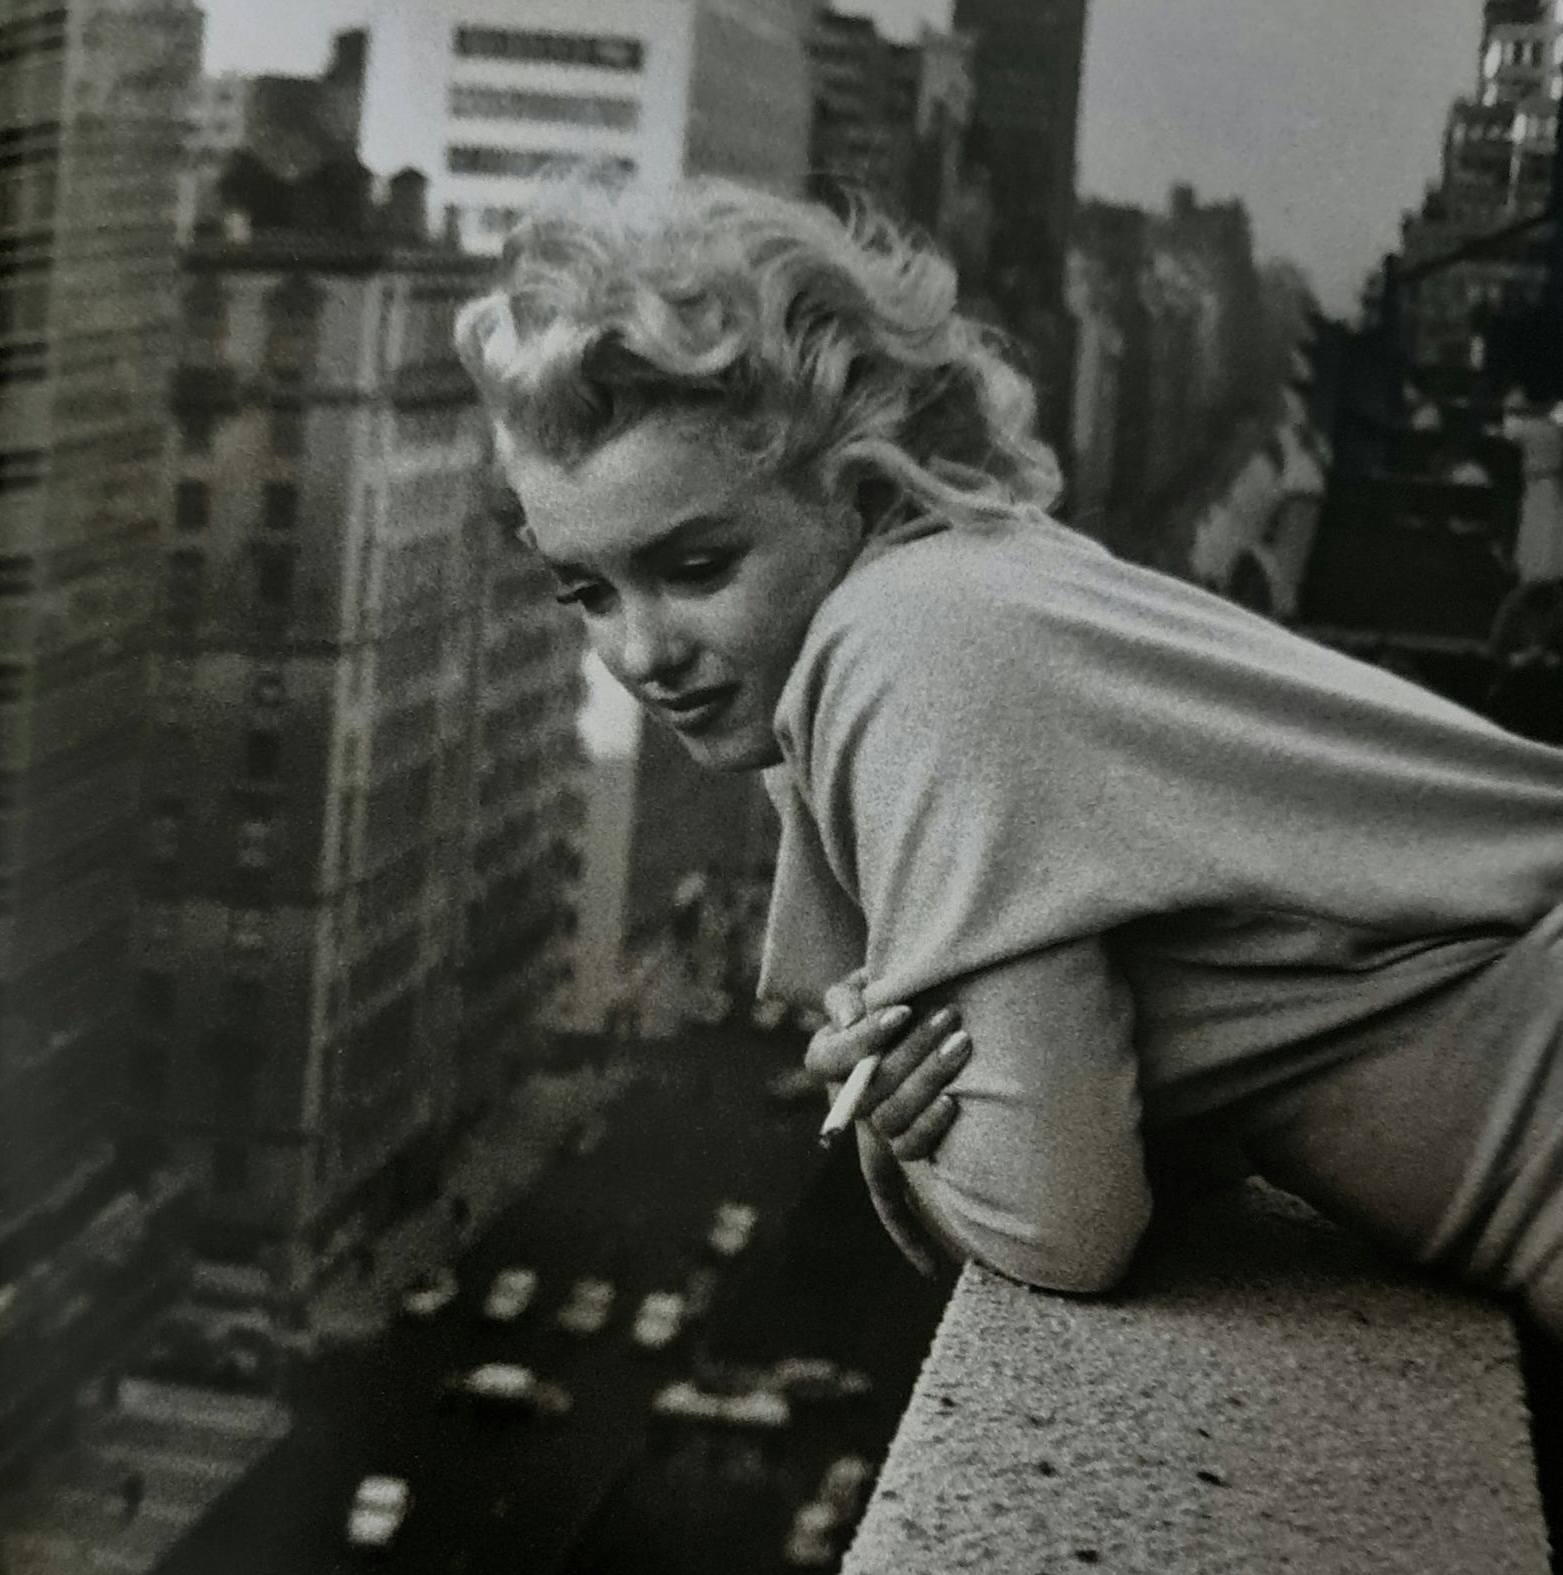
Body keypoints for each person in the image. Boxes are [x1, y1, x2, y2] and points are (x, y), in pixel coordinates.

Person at [455, 177, 1563, 1339]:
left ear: (861, 486)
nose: (639, 650)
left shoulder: (915, 641)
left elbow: (1058, 1227)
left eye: (696, 568)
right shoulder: (965, 586)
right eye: (586, 588)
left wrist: (888, 1109)